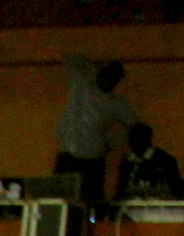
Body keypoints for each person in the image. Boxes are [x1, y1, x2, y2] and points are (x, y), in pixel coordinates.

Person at [54, 57, 137, 210]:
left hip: (92, 160)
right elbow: (69, 60)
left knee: (92, 204)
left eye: (115, 78)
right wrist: (93, 64)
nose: (110, 80)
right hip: (68, 155)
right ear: (101, 73)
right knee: (60, 202)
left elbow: (135, 128)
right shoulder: (81, 85)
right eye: (108, 74)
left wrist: (108, 144)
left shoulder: (117, 104)